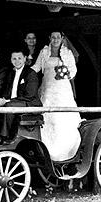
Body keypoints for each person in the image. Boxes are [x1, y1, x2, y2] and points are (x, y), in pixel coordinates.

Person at [31, 31, 81, 160]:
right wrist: (25, 73)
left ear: (62, 38)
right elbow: (37, 67)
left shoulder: (67, 53)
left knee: (61, 118)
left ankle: (65, 147)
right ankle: (47, 147)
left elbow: (73, 70)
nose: (55, 39)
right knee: (48, 117)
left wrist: (66, 74)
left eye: (58, 37)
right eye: (53, 37)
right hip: (47, 88)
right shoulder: (44, 52)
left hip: (62, 88)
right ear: (50, 38)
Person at [0, 49, 42, 142]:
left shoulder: (31, 73)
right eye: (14, 59)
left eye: (19, 58)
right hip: (16, 102)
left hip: (30, 103)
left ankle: (6, 137)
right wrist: (3, 99)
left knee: (9, 106)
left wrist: (8, 101)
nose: (17, 61)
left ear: (25, 59)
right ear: (11, 60)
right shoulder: (11, 73)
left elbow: (30, 95)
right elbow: (7, 91)